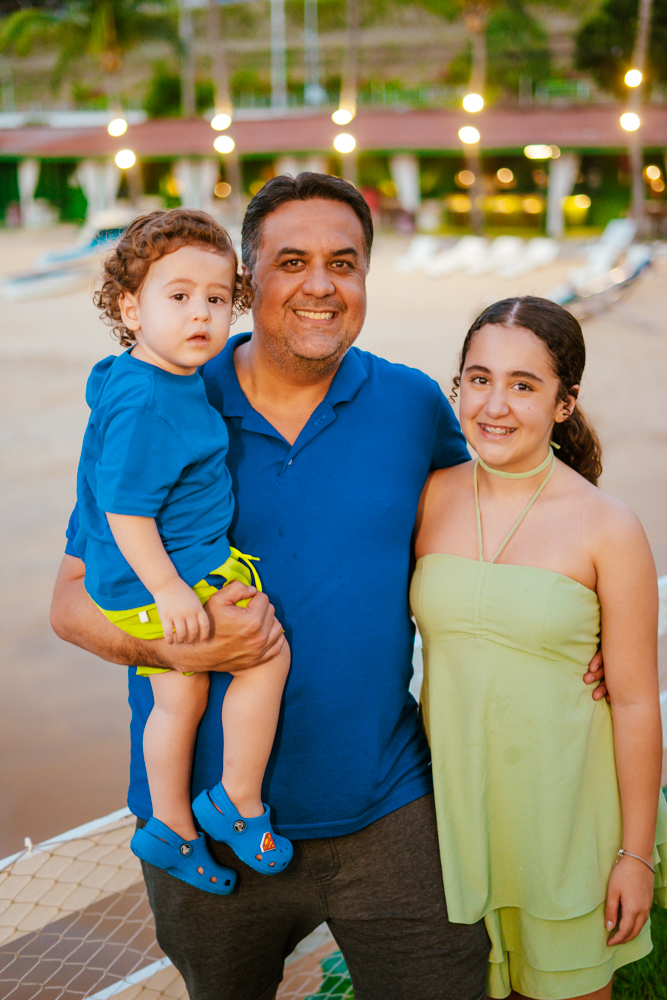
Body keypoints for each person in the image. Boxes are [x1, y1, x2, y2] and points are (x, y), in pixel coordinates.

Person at [51, 176, 606, 1000]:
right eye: (291, 262)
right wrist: (172, 647)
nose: (320, 284)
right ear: (248, 279)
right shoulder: (161, 397)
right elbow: (69, 600)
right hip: (203, 825)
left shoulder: (412, 404)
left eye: (343, 263)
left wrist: (574, 635)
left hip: (388, 810)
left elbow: (500, 512)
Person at [412, 296, 667, 1000]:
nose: (494, 405)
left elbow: (636, 702)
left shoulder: (607, 526)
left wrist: (635, 855)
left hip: (567, 823)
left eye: (523, 385)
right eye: (479, 379)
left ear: (564, 403)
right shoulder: (427, 498)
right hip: (451, 822)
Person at [76, 208, 293, 894]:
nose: (201, 313)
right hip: (164, 573)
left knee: (181, 696)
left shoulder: (151, 376)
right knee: (265, 654)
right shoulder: (148, 401)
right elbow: (124, 508)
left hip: (153, 571)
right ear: (129, 309)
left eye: (217, 299)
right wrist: (170, 590)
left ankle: (171, 825)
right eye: (178, 297)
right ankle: (237, 801)